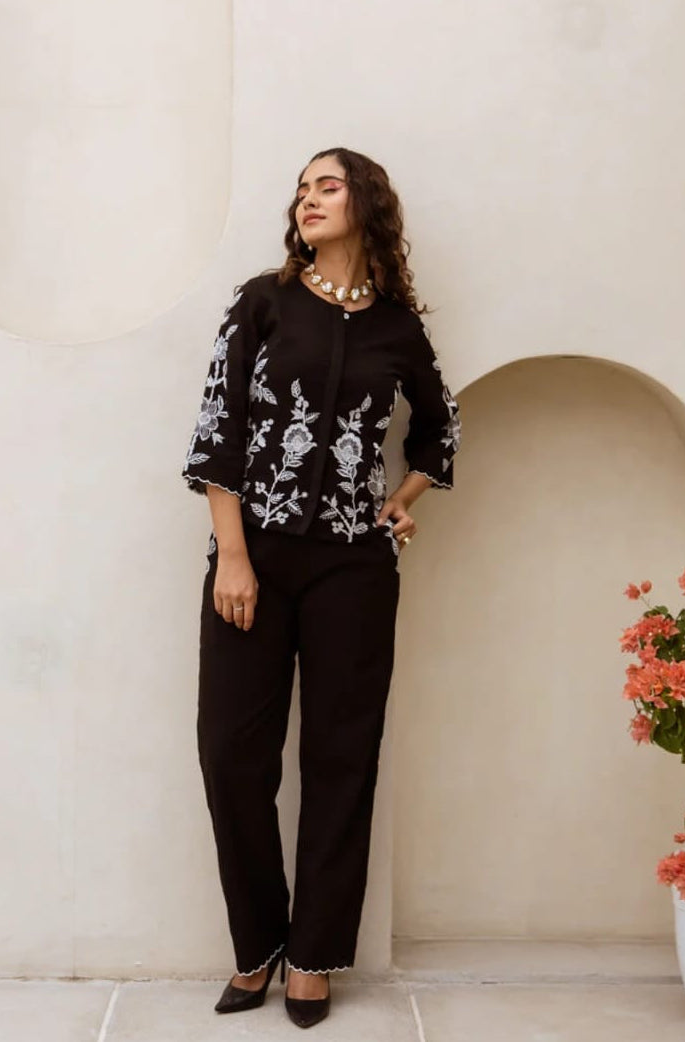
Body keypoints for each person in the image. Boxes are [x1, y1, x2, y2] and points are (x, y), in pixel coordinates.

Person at [181, 146, 461, 1029]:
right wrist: (232, 553)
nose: (307, 199)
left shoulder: (399, 330)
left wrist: (400, 502)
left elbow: (439, 436)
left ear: (367, 204)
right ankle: (258, 943)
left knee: (341, 759)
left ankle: (313, 956)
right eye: (301, 189)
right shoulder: (262, 302)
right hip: (252, 555)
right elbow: (216, 431)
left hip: (353, 566)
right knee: (232, 757)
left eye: (326, 186)